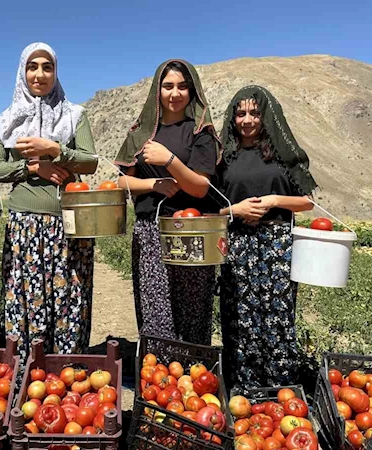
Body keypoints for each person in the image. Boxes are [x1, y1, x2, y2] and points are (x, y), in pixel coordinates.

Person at [0, 42, 98, 361]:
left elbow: (90, 161)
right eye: (32, 66)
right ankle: (27, 375)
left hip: (69, 226)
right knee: (26, 300)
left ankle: (67, 373)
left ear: (56, 72)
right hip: (24, 227)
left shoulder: (75, 115)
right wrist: (31, 166)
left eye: (47, 67)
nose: (40, 74)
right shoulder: (7, 120)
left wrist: (54, 149)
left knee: (69, 300)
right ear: (22, 72)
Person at [217, 85, 318, 391]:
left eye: (255, 113)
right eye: (241, 113)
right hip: (237, 244)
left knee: (277, 314)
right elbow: (212, 207)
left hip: (277, 244)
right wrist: (235, 209)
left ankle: (280, 387)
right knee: (239, 316)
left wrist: (274, 200)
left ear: (267, 116)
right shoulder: (224, 158)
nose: (247, 120)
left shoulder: (282, 155)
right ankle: (242, 389)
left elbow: (307, 202)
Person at [114, 60, 222, 346]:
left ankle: (195, 374)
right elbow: (122, 182)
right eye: (168, 86)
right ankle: (157, 375)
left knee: (193, 306)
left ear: (193, 91)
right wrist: (154, 184)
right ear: (157, 91)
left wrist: (169, 161)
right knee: (155, 306)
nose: (175, 93)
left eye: (183, 87)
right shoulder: (140, 133)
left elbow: (200, 187)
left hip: (192, 230)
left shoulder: (201, 133)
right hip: (150, 231)